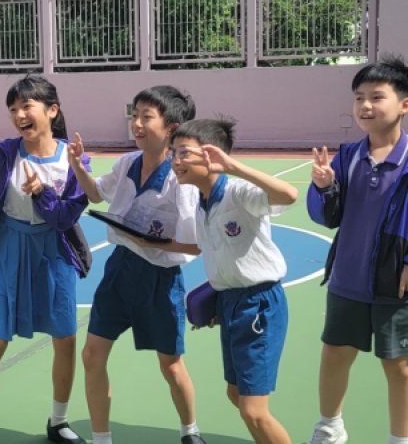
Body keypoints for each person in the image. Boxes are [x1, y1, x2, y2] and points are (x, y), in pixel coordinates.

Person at [0, 75, 91, 444]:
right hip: (9, 248)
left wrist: (41, 194)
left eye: (26, 106)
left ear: (52, 110)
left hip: (54, 251)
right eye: (13, 109)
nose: (19, 115)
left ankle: (58, 421)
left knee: (65, 339)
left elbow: (65, 217)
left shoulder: (73, 158)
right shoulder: (4, 153)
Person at [69, 86, 207, 444]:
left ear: (171, 127)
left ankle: (190, 431)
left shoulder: (181, 178)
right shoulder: (127, 162)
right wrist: (78, 167)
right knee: (92, 355)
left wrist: (154, 244)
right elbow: (95, 193)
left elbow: (198, 244)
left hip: (160, 280)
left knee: (171, 365)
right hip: (119, 271)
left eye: (147, 117)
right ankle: (101, 438)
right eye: (135, 115)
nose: (137, 123)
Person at [170, 116, 298, 444]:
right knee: (236, 395)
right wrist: (216, 302)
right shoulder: (200, 203)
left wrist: (233, 167)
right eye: (174, 153)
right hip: (229, 302)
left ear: (212, 155)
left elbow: (288, 195)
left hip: (259, 303)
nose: (176, 160)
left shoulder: (238, 192)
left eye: (184, 153)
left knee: (254, 410)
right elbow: (217, 256)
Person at [306, 54, 408, 444]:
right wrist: (324, 187)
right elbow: (327, 217)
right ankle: (329, 428)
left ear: (403, 104)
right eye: (359, 97)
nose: (365, 105)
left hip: (395, 281)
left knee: (399, 367)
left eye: (376, 97)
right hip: (348, 276)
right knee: (334, 354)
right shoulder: (348, 156)